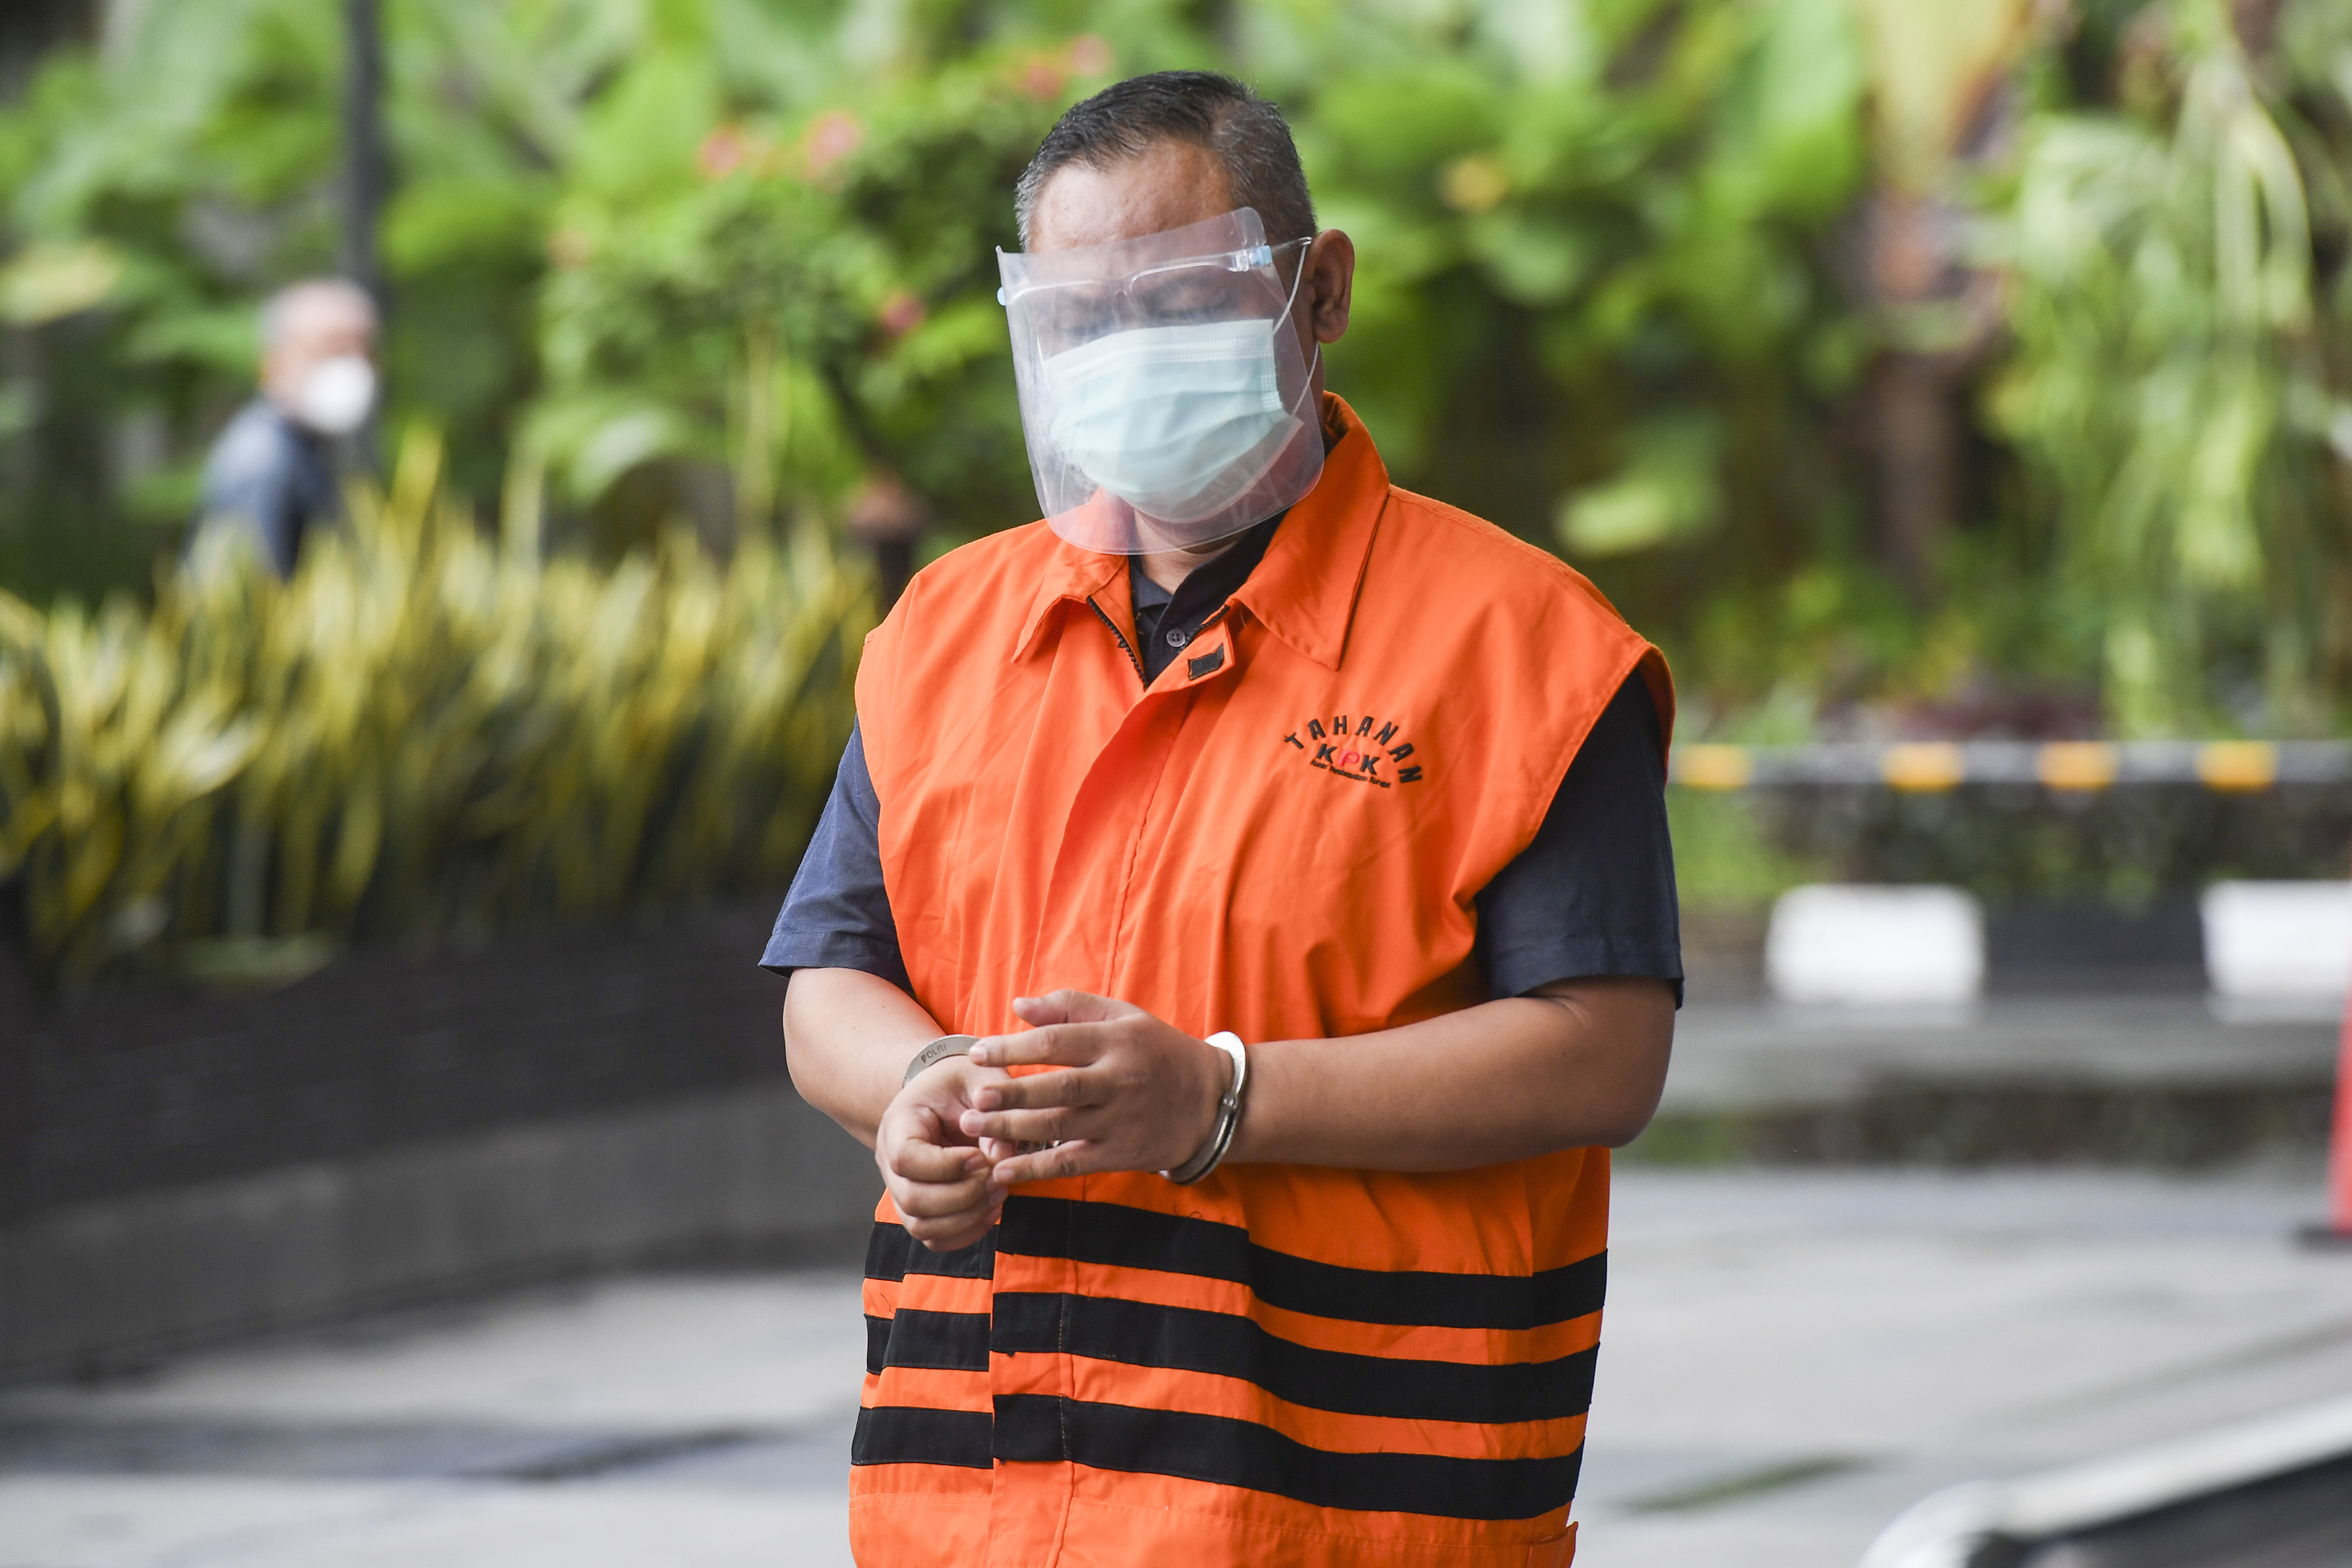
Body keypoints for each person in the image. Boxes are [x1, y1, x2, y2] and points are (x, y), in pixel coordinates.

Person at [766, 71, 1680, 1568]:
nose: (1123, 358)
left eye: (1180, 300)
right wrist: (915, 1082)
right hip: (976, 1521)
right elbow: (826, 986)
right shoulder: (943, 631)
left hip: (1347, 1519)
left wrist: (1218, 1099)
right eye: (1077, 320)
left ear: (1317, 291)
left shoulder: (1523, 646)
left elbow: (1605, 1054)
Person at [188, 279, 378, 579]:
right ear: (277, 359)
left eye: (363, 348)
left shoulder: (308, 447)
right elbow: (252, 598)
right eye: (333, 348)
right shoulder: (262, 463)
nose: (354, 363)